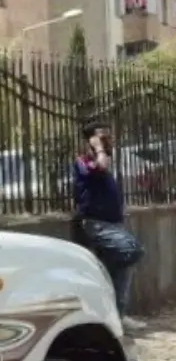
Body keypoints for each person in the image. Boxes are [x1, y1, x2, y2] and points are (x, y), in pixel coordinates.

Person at [72, 118, 134, 317]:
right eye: (102, 136)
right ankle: (113, 316)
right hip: (96, 225)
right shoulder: (83, 160)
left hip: (112, 224)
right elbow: (100, 166)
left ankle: (117, 316)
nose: (107, 140)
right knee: (130, 252)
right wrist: (98, 149)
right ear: (91, 140)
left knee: (118, 268)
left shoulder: (102, 159)